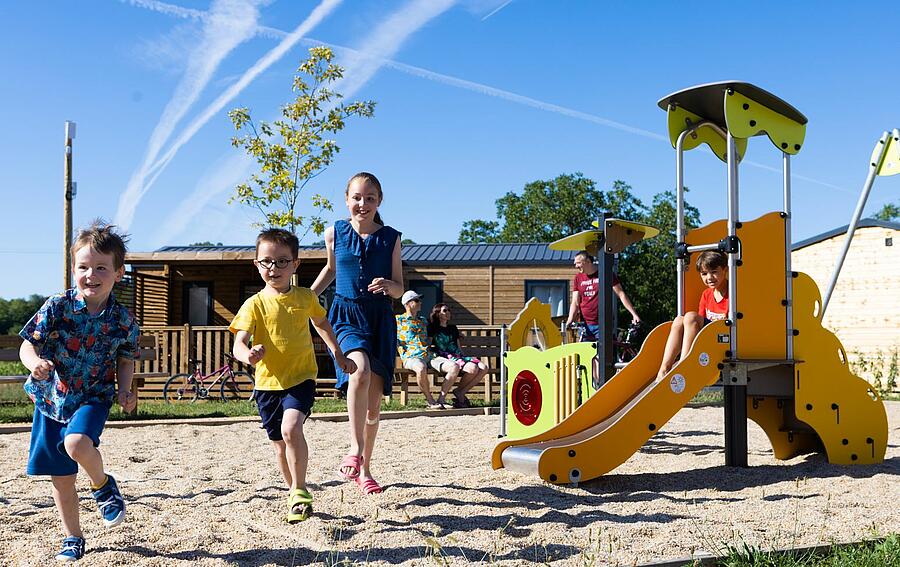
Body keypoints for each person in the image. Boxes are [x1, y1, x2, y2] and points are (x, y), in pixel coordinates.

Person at [18, 221, 139, 562]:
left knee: (77, 443)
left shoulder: (124, 321)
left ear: (118, 273)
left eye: (101, 267)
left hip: (93, 397)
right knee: (62, 477)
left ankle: (103, 486)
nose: (91, 274)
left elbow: (126, 358)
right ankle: (73, 536)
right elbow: (29, 344)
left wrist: (126, 390)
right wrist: (33, 363)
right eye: (83, 267)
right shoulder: (56, 306)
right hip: (51, 399)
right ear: (74, 270)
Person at [230, 228, 356, 523]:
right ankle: (295, 495)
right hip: (267, 384)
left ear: (295, 265)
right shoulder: (254, 304)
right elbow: (238, 342)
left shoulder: (305, 297)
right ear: (257, 264)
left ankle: (300, 489)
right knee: (279, 445)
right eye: (267, 262)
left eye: (282, 261)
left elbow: (322, 323)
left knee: (290, 429)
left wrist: (337, 352)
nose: (274, 268)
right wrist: (247, 354)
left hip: (301, 378)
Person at [311, 172, 403, 496]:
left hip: (379, 320)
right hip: (346, 314)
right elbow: (332, 270)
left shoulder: (391, 237)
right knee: (359, 371)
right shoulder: (334, 232)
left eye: (370, 198)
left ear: (379, 202)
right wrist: (308, 297)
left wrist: (390, 287)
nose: (362, 204)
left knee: (374, 409)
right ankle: (354, 446)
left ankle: (365, 470)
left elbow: (399, 285)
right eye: (357, 197)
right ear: (346, 199)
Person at [656, 250, 729, 380]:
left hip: (723, 338)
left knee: (690, 316)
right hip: (707, 337)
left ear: (725, 269)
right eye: (704, 274)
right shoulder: (707, 294)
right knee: (679, 320)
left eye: (714, 272)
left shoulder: (732, 292)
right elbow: (699, 325)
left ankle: (684, 364)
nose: (709, 278)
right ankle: (664, 369)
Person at [565, 250, 641, 341]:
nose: (576, 266)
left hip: (603, 324)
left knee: (604, 353)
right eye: (575, 263)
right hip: (585, 325)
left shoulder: (605, 273)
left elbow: (621, 294)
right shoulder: (578, 278)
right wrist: (570, 319)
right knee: (586, 354)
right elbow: (575, 302)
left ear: (588, 261)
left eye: (578, 263)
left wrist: (634, 314)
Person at [396, 290, 454, 410]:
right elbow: (388, 336)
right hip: (411, 357)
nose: (420, 302)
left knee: (454, 367)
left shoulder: (423, 320)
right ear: (407, 304)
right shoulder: (398, 320)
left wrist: (456, 336)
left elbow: (435, 331)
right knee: (421, 368)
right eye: (416, 300)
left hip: (428, 355)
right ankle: (430, 400)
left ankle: (441, 400)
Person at [427, 303, 488, 408]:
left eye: (448, 310)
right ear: (438, 314)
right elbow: (428, 344)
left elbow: (458, 346)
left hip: (457, 356)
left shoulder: (453, 328)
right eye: (445, 310)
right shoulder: (433, 328)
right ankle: (444, 398)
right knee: (473, 369)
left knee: (483, 367)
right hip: (444, 357)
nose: (448, 313)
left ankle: (460, 392)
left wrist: (464, 358)